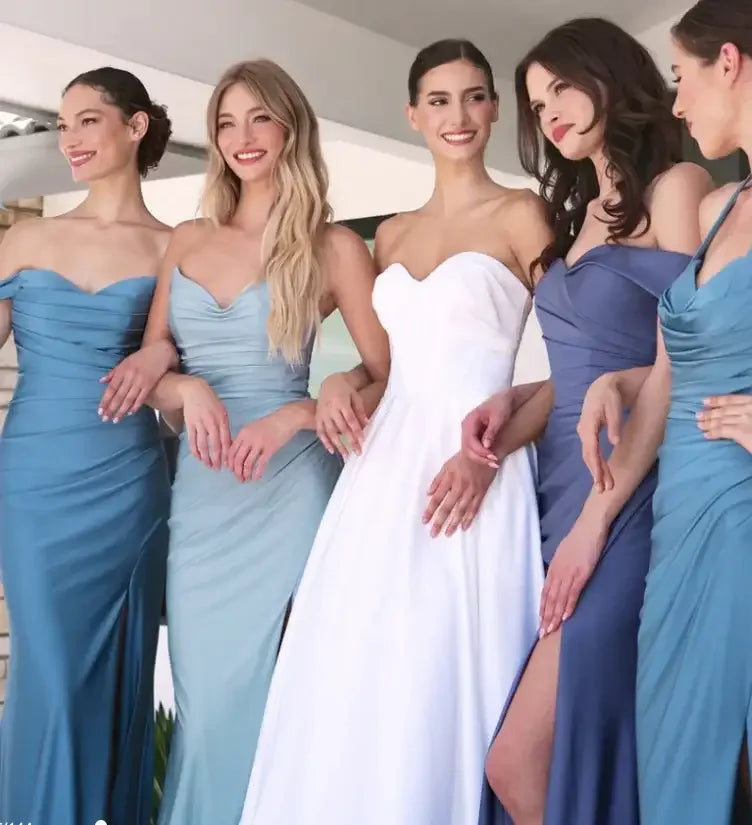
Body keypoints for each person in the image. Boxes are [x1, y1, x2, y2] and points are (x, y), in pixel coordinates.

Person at [238, 38, 547, 825]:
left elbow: (577, 361)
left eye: (473, 96)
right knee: (364, 671)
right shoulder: (394, 236)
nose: (457, 115)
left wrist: (491, 452)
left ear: (494, 109)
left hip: (474, 464)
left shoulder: (523, 213)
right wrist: (341, 381)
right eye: (438, 100)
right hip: (382, 476)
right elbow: (389, 369)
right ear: (413, 115)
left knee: (445, 671)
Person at [460, 19, 714, 825]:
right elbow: (582, 374)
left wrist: (597, 521)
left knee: (517, 760)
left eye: (563, 89)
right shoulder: (576, 215)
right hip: (554, 493)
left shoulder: (677, 187)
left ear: (610, 76)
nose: (551, 115)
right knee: (569, 743)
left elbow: (684, 360)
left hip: (630, 494)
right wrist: (515, 401)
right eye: (538, 105)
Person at [141, 59, 390, 825]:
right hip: (204, 498)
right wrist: (187, 389)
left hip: (290, 491)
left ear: (290, 127)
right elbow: (153, 371)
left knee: (281, 700)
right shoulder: (184, 240)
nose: (242, 136)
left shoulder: (334, 247)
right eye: (226, 122)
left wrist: (303, 410)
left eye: (259, 118)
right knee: (203, 709)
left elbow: (390, 377)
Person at [576, 2, 752, 822]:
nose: (676, 104)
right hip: (678, 527)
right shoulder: (718, 208)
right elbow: (671, 372)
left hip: (742, 515)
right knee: (674, 768)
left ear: (730, 62)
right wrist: (619, 381)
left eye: (682, 78)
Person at [0, 68, 175, 825]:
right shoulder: (26, 238)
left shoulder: (176, 248)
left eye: (87, 121)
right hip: (34, 479)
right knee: (47, 669)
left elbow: (195, 361)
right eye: (63, 124)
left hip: (127, 483)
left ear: (135, 126)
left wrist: (161, 355)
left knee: (110, 673)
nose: (69, 139)